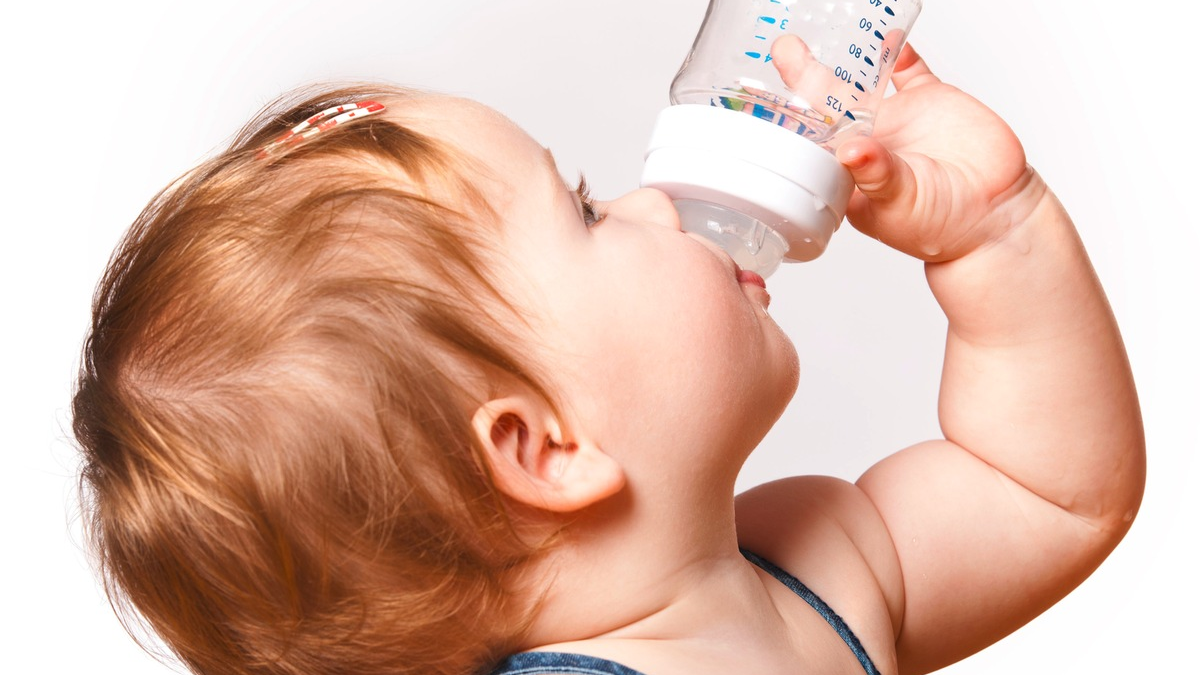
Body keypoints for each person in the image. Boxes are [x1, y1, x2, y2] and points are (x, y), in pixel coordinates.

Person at [72, 38, 1145, 675]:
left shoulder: (815, 562)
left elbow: (1046, 491)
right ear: (542, 448)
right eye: (585, 213)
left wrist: (999, 230)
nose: (646, 202)